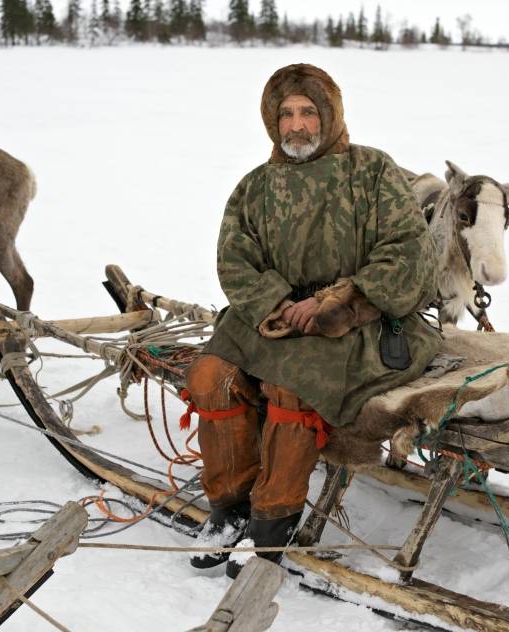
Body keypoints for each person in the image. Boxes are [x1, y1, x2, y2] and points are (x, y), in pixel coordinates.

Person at [182, 63, 441, 577]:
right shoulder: (255, 187)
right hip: (271, 318)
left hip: (356, 323)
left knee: (291, 389)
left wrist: (337, 300)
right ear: (272, 121)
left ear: (329, 114)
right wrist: (278, 305)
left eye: (308, 112)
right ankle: (229, 507)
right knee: (211, 379)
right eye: (286, 114)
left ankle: (272, 524)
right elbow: (234, 259)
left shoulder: (371, 171)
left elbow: (409, 252)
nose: (297, 126)